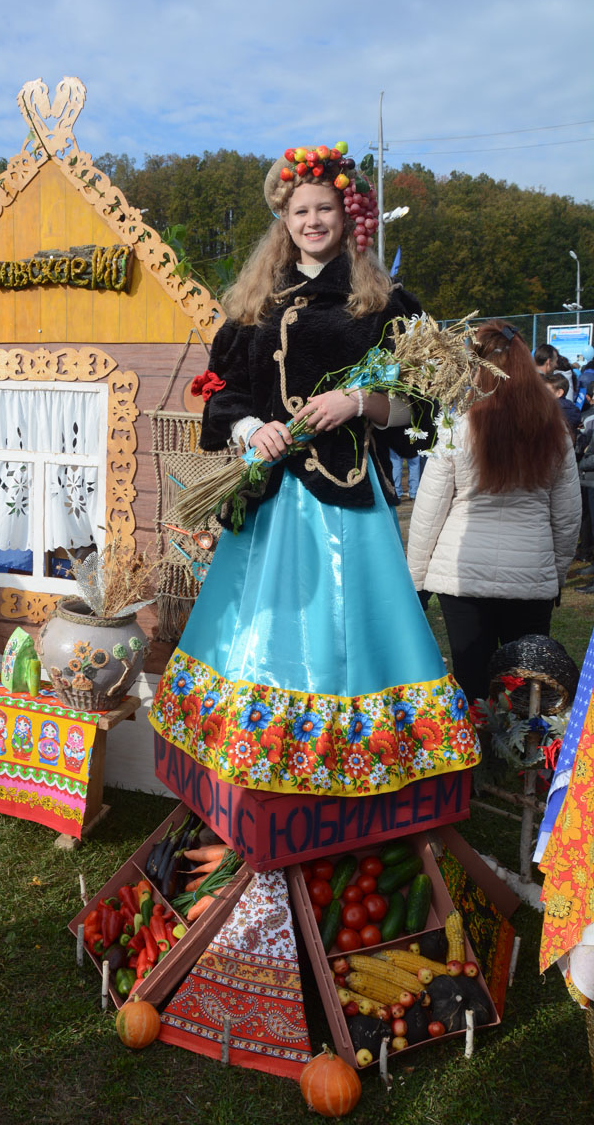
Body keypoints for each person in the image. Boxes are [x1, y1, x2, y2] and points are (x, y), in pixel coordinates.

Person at [149, 143, 480, 799]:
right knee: (261, 631)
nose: (312, 220)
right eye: (300, 210)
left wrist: (359, 402)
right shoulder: (256, 303)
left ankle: (354, 770)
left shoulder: (384, 303)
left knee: (345, 632)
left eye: (324, 208)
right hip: (269, 500)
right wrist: (253, 428)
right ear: (284, 218)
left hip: (345, 500)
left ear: (346, 216)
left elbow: (423, 405)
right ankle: (255, 772)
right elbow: (221, 391)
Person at [407, 322, 581, 706]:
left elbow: (429, 513)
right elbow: (567, 519)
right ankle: (521, 761)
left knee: (471, 684)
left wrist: (417, 582)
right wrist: (555, 574)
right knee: (526, 690)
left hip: (463, 577)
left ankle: (475, 759)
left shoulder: (457, 428)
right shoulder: (556, 433)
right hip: (530, 577)